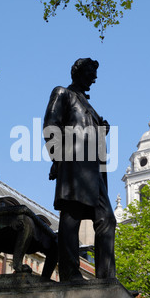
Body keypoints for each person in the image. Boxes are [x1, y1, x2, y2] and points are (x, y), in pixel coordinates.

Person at [43, 58, 116, 282]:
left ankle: (105, 280)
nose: (93, 78)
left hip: (94, 173)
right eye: (90, 73)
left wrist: (102, 131)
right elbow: (50, 126)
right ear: (77, 72)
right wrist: (57, 159)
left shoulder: (90, 107)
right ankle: (70, 273)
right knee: (72, 217)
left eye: (94, 74)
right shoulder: (62, 93)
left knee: (107, 220)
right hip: (73, 165)